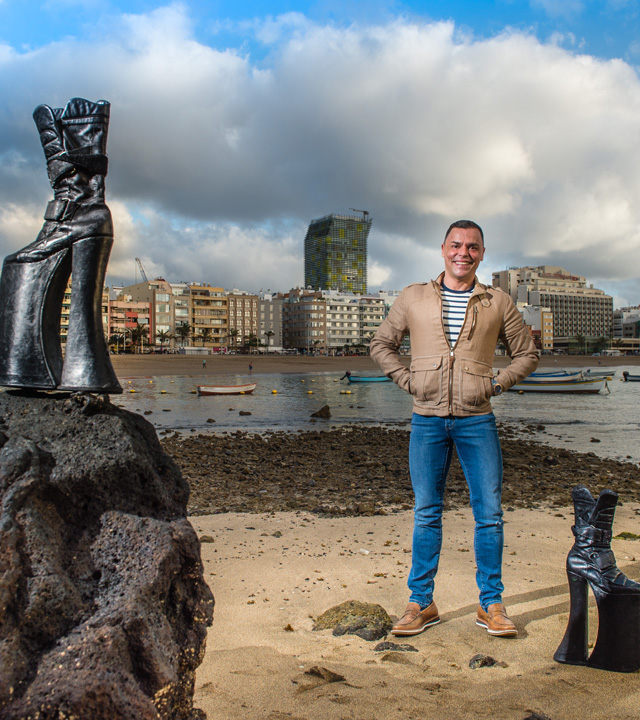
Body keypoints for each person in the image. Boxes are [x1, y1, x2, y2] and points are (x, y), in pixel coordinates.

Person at [370, 220, 539, 638]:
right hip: (426, 419)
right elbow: (381, 344)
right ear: (443, 248)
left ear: (482, 253)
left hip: (477, 418)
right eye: (456, 245)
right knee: (426, 512)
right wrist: (409, 381)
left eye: (473, 247)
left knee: (490, 515)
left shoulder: (497, 301)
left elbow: (528, 353)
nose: (463, 253)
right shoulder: (414, 296)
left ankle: (491, 605)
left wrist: (496, 383)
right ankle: (421, 603)